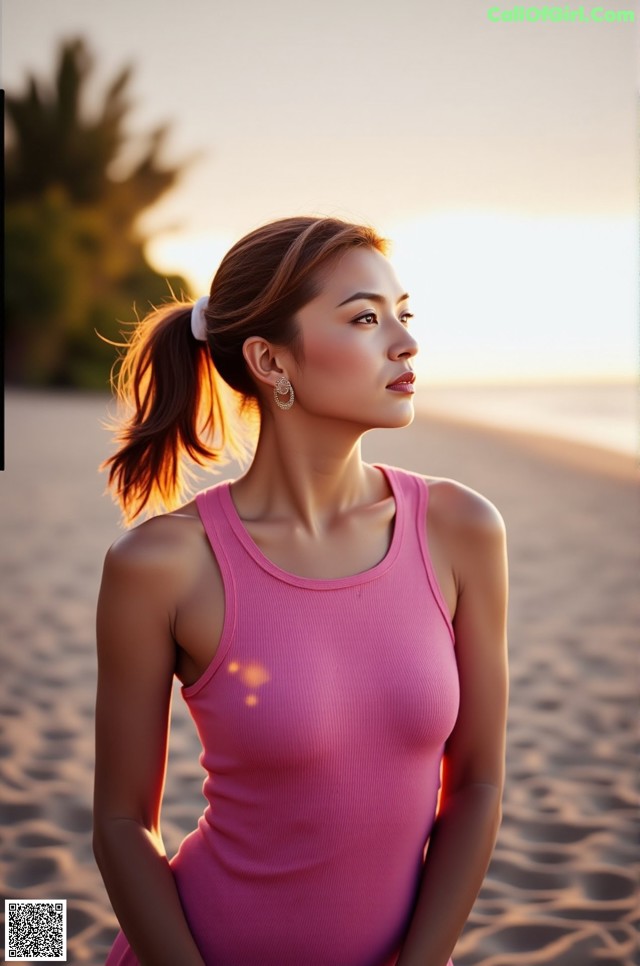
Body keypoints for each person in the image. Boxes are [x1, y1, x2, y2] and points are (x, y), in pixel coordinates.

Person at [93, 215, 509, 966]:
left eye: (402, 315)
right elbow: (122, 822)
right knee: (28, 938)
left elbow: (475, 782)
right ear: (269, 359)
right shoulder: (161, 564)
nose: (405, 342)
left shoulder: (461, 530)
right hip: (204, 949)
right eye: (364, 318)